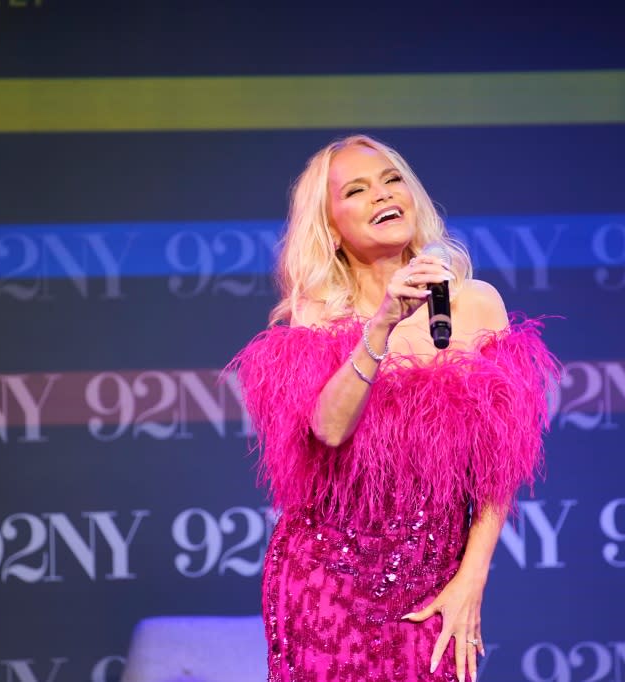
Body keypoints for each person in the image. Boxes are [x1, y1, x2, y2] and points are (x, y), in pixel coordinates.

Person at [228, 134, 557, 680]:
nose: (382, 195)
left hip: (436, 583)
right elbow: (329, 431)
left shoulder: (475, 304)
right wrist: (380, 324)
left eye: (391, 180)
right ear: (331, 229)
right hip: (324, 586)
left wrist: (471, 580)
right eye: (356, 190)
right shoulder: (315, 315)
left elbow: (500, 466)